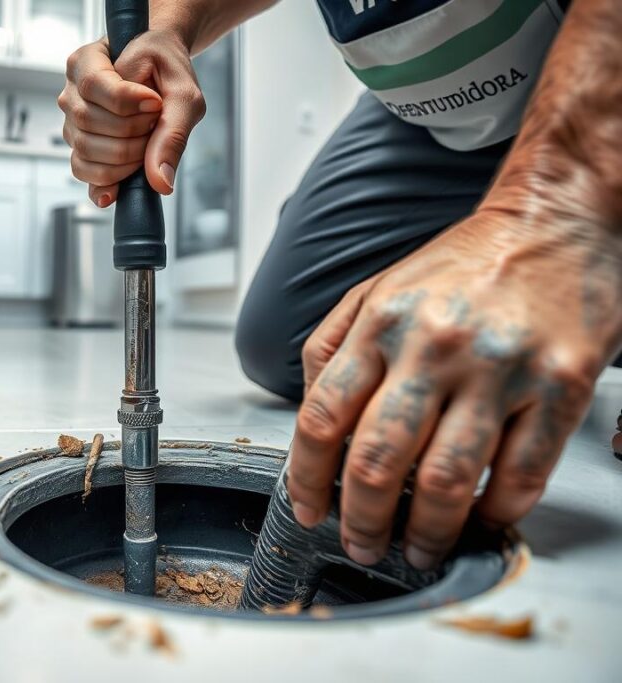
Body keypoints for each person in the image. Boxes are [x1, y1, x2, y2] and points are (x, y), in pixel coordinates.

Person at [58, 0, 622, 571]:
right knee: (284, 342)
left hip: (591, 70)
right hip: (424, 115)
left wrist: (561, 203)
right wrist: (167, 30)